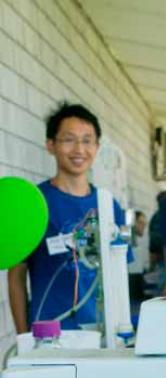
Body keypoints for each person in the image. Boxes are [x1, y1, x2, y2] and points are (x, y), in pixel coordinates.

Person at [7, 102, 126, 332]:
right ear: (50, 145)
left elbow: (119, 274)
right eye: (69, 139)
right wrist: (24, 337)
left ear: (97, 147)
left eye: (87, 140)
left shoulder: (108, 205)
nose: (79, 149)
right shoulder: (34, 203)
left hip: (102, 332)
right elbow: (16, 275)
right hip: (48, 334)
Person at [128, 210, 148, 305]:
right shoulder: (128, 245)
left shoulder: (135, 244)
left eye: (144, 223)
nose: (143, 226)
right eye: (140, 223)